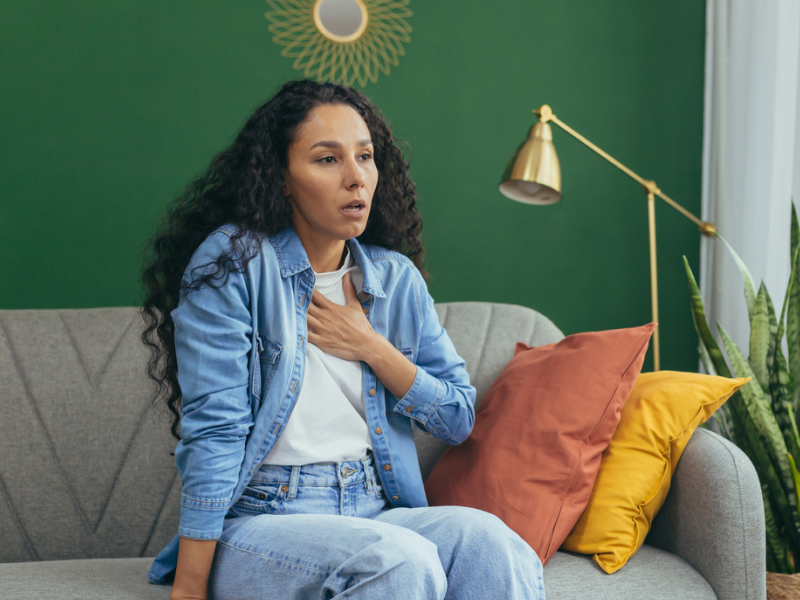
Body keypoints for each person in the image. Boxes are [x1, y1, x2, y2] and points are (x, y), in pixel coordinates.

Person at [141, 79, 546, 600]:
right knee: (398, 561)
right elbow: (216, 431)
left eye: (366, 156)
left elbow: (457, 417)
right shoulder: (234, 264)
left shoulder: (395, 279)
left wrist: (371, 346)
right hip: (263, 521)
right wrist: (191, 587)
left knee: (494, 544)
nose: (356, 178)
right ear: (281, 177)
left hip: (375, 506)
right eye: (327, 160)